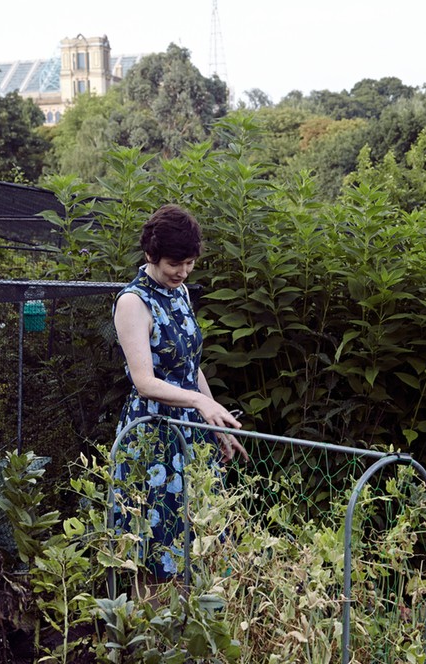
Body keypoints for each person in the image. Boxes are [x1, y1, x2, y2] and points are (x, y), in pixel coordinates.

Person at [112, 204, 247, 581]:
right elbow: (145, 381)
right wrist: (200, 402)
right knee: (158, 539)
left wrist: (215, 417)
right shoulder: (132, 302)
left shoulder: (181, 292)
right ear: (151, 254)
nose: (183, 271)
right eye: (175, 263)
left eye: (189, 262)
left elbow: (190, 366)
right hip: (154, 431)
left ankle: (195, 626)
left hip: (192, 424)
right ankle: (153, 626)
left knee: (202, 530)